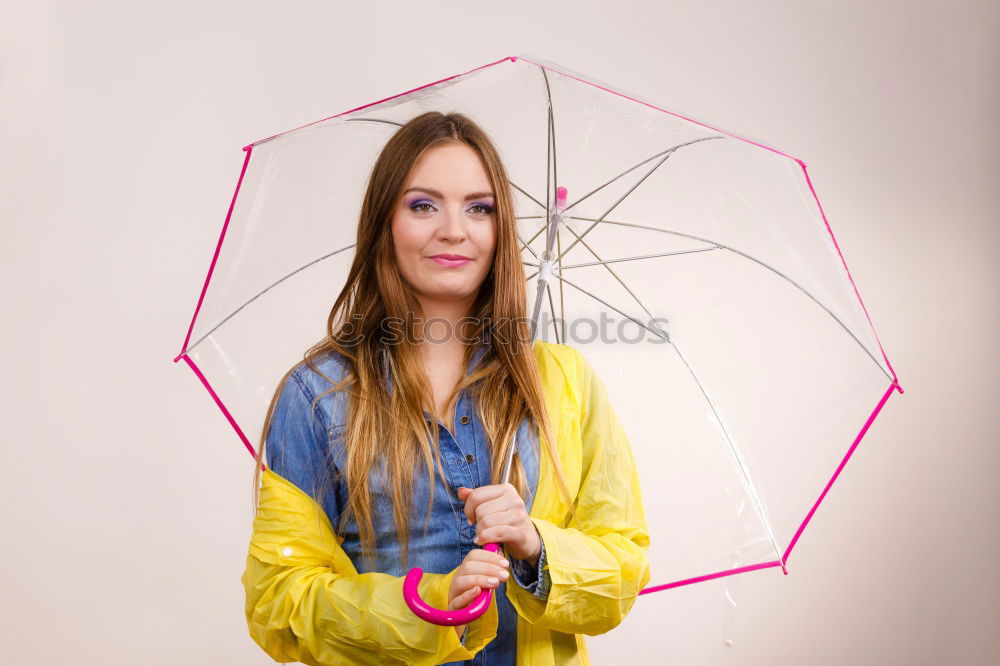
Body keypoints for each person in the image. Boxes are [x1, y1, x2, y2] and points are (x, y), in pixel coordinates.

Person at [241, 111, 650, 665]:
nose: (454, 229)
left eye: (478, 208)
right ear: (385, 221)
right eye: (423, 205)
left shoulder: (562, 381)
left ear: (500, 227)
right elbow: (278, 602)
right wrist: (429, 604)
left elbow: (623, 567)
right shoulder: (318, 395)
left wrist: (534, 546)